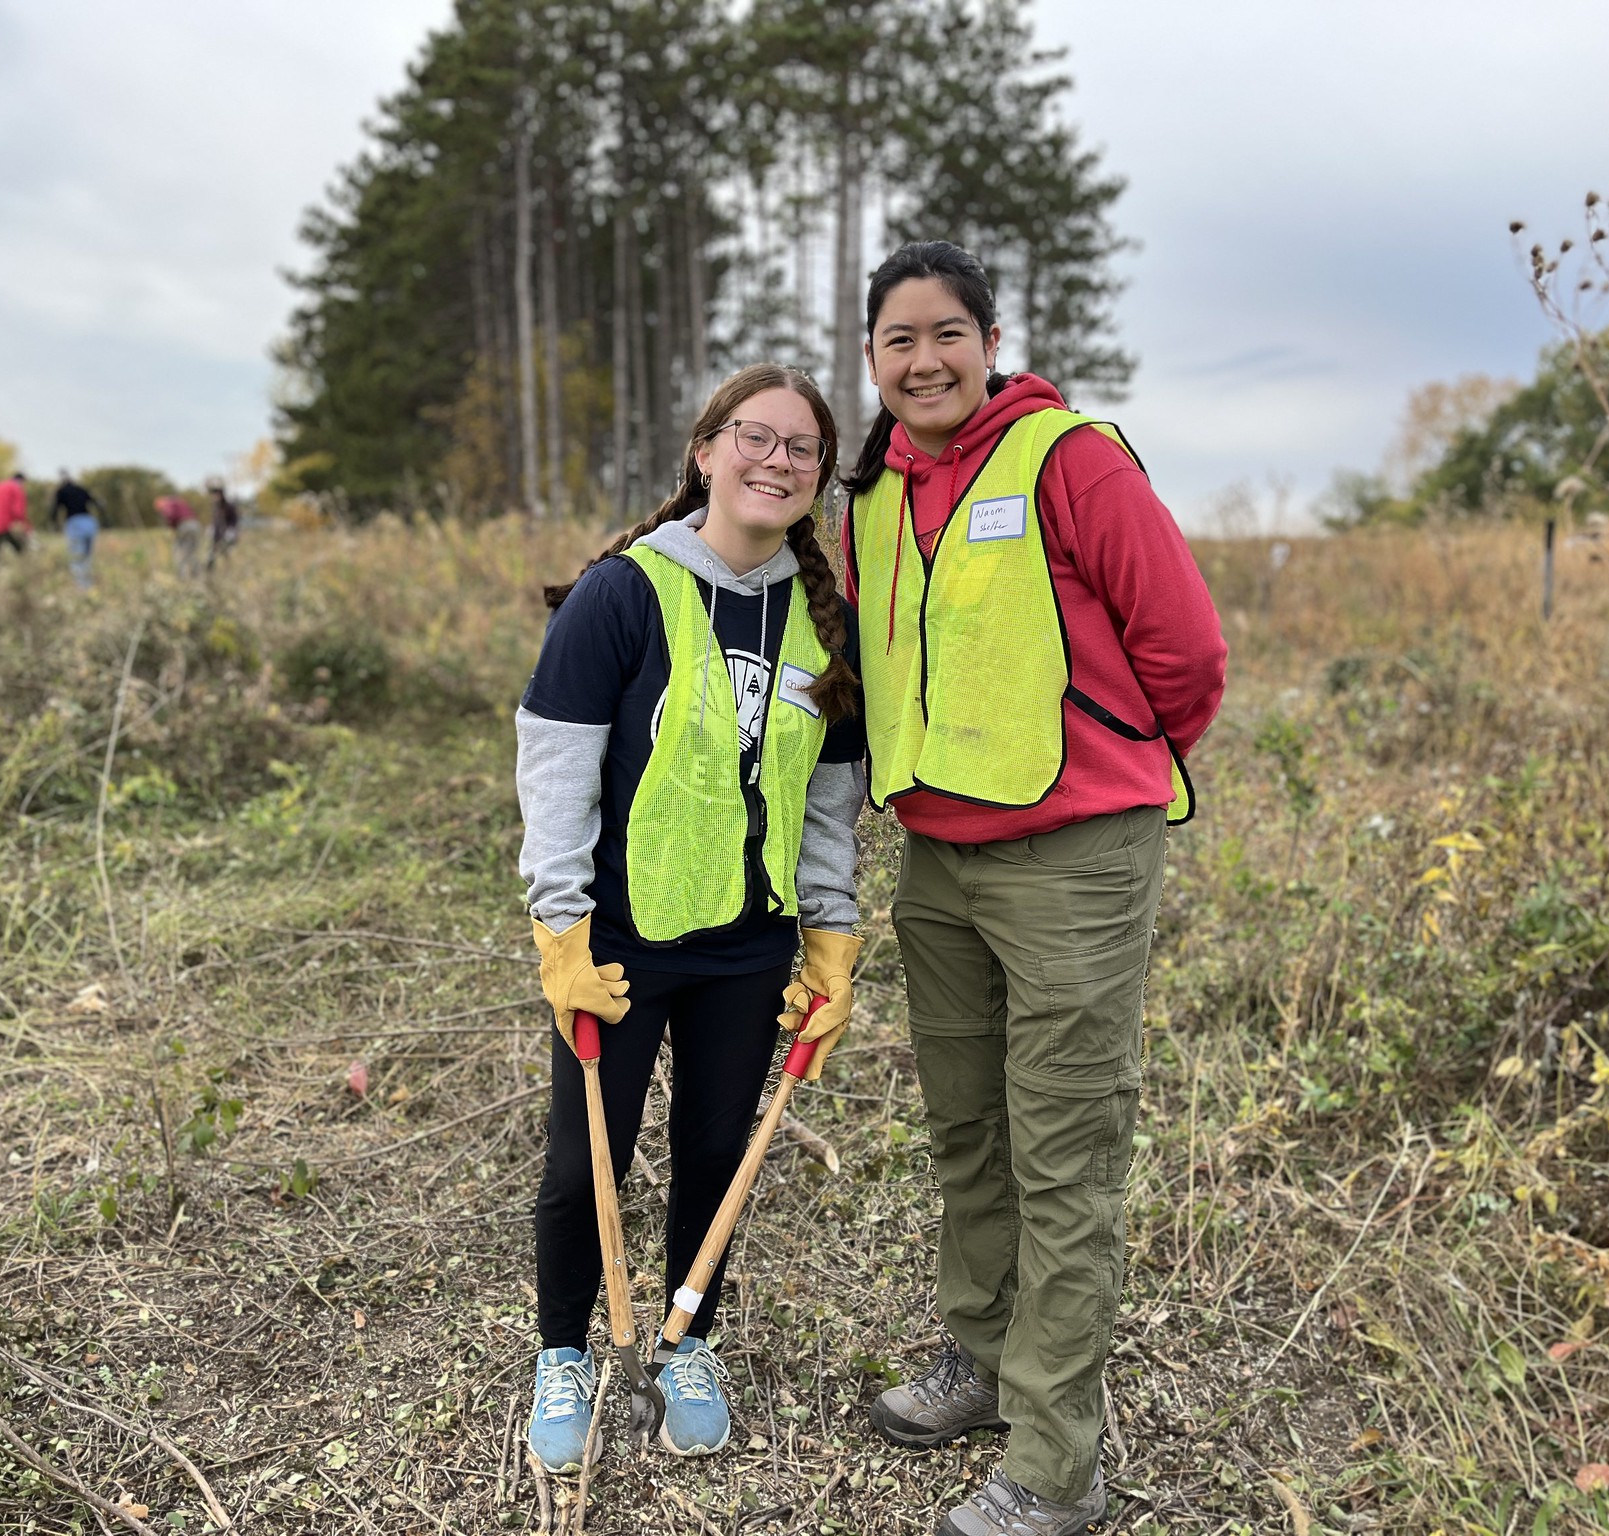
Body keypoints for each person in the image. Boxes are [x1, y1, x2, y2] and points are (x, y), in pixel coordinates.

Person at [842, 242, 1226, 1536]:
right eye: (899, 339)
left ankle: (1060, 1464)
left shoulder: (1070, 458)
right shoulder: (876, 496)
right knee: (968, 1130)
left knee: (1064, 1156)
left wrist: (1105, 760)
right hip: (937, 863)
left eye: (947, 332)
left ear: (989, 340)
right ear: (873, 360)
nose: (925, 359)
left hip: (1073, 861)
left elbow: (1187, 650)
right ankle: (986, 1362)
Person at [517, 363, 867, 1471]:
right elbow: (557, 766)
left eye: (800, 449)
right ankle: (562, 1351)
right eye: (752, 438)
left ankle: (686, 1341)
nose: (775, 461)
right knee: (587, 1163)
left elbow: (826, 797)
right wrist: (559, 928)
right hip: (619, 943)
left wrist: (829, 935)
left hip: (746, 950)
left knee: (716, 1150)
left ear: (818, 479)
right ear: (704, 451)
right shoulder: (623, 592)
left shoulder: (823, 620)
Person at [51, 469, 105, 590]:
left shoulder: (61, 491)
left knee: (76, 557)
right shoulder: (81, 488)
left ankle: (82, 588)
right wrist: (105, 517)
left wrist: (54, 525)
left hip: (75, 523)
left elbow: (54, 509)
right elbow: (97, 502)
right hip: (90, 522)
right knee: (87, 556)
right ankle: (90, 585)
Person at [155, 493, 201, 578]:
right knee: (192, 552)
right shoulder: (180, 502)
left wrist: (170, 527)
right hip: (196, 525)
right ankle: (197, 575)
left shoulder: (168, 504)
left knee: (178, 551)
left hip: (184, 526)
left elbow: (170, 516)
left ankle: (182, 576)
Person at [205, 481, 239, 570]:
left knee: (226, 554)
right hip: (217, 536)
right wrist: (211, 528)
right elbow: (215, 521)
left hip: (228, 535)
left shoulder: (229, 506)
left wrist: (231, 530)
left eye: (216, 494)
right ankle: (209, 574)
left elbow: (234, 520)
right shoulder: (215, 507)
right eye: (213, 494)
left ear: (221, 494)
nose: (214, 497)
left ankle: (229, 571)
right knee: (211, 555)